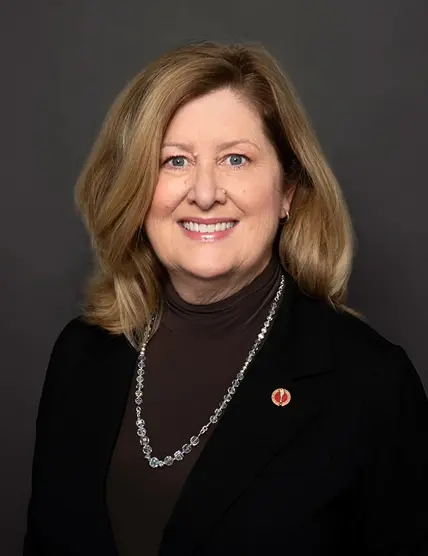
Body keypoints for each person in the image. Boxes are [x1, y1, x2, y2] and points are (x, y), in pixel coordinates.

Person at [23, 40, 428, 556]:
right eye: (175, 161)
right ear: (136, 189)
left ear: (288, 190)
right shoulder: (80, 354)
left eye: (236, 159)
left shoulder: (372, 386)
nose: (205, 192)